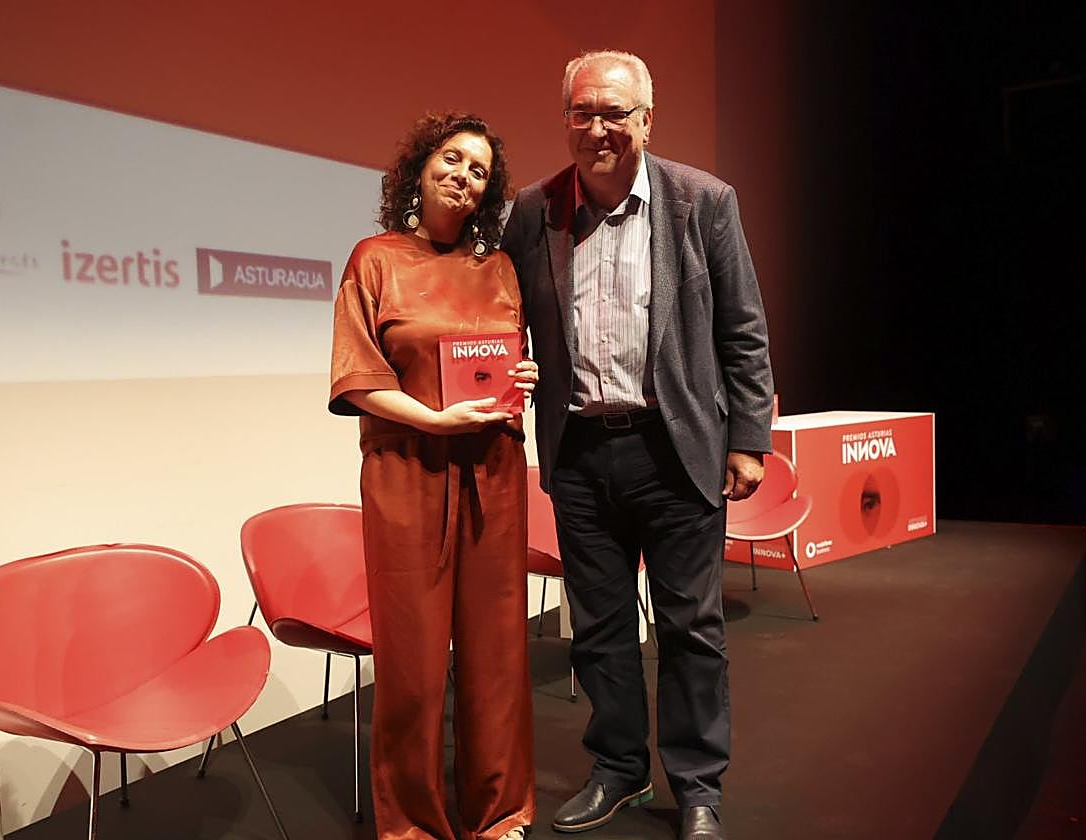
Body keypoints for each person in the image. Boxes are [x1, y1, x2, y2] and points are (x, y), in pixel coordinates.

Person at [501, 51, 774, 840]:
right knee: (601, 628)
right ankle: (617, 768)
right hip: (581, 453)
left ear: (646, 120)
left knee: (692, 627)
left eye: (614, 112)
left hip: (675, 448)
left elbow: (744, 331)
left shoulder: (703, 203)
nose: (598, 128)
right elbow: (497, 310)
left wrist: (748, 439)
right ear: (566, 120)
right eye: (582, 112)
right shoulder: (533, 211)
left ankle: (696, 788)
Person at [328, 112, 537, 840]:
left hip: (494, 471)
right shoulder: (374, 260)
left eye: (479, 170)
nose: (463, 176)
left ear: (487, 194)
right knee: (413, 665)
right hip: (406, 473)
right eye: (452, 159)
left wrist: (524, 376)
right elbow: (357, 378)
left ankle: (501, 811)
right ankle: (413, 823)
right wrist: (432, 419)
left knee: (499, 655)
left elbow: (508, 366)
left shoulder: (500, 269)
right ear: (420, 169)